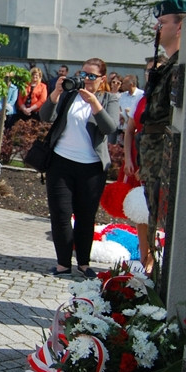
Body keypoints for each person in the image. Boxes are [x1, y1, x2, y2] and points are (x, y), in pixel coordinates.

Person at [127, 0, 186, 271]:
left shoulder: (183, 66)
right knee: (154, 219)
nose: (157, 28)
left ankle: (157, 272)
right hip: (155, 161)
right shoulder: (169, 65)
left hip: (166, 162)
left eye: (163, 22)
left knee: (165, 227)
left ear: (181, 27)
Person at [39, 58, 119, 278]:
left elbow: (110, 127)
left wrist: (94, 103)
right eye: (83, 73)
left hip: (91, 168)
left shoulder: (108, 98)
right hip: (61, 162)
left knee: (85, 216)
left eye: (91, 76)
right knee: (61, 214)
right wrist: (55, 93)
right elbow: (45, 116)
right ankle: (63, 264)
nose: (85, 78)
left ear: (102, 78)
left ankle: (84, 263)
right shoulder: (70, 93)